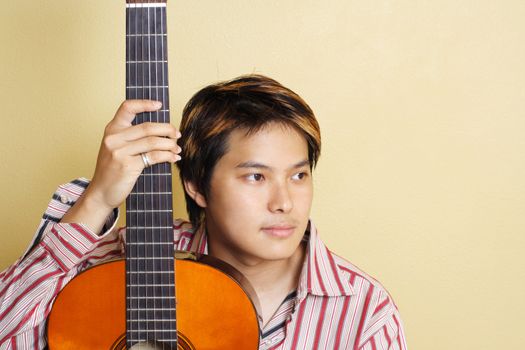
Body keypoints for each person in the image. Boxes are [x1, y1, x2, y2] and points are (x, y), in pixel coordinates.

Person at [0, 75, 407, 349]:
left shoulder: (364, 311)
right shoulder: (130, 262)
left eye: (299, 176)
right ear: (196, 185)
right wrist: (97, 201)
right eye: (256, 177)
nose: (284, 202)